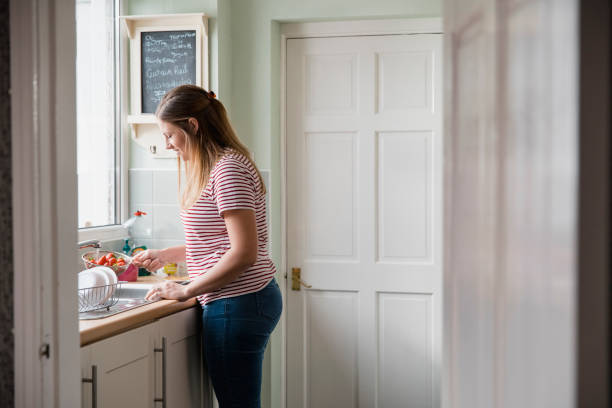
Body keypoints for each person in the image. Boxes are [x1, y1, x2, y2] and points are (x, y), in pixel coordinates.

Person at [131, 84, 282, 408]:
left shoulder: (227, 170)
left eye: (170, 135)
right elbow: (217, 243)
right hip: (241, 300)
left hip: (238, 301)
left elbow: (243, 253)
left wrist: (186, 291)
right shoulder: (219, 166)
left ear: (193, 126)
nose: (168, 145)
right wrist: (164, 254)